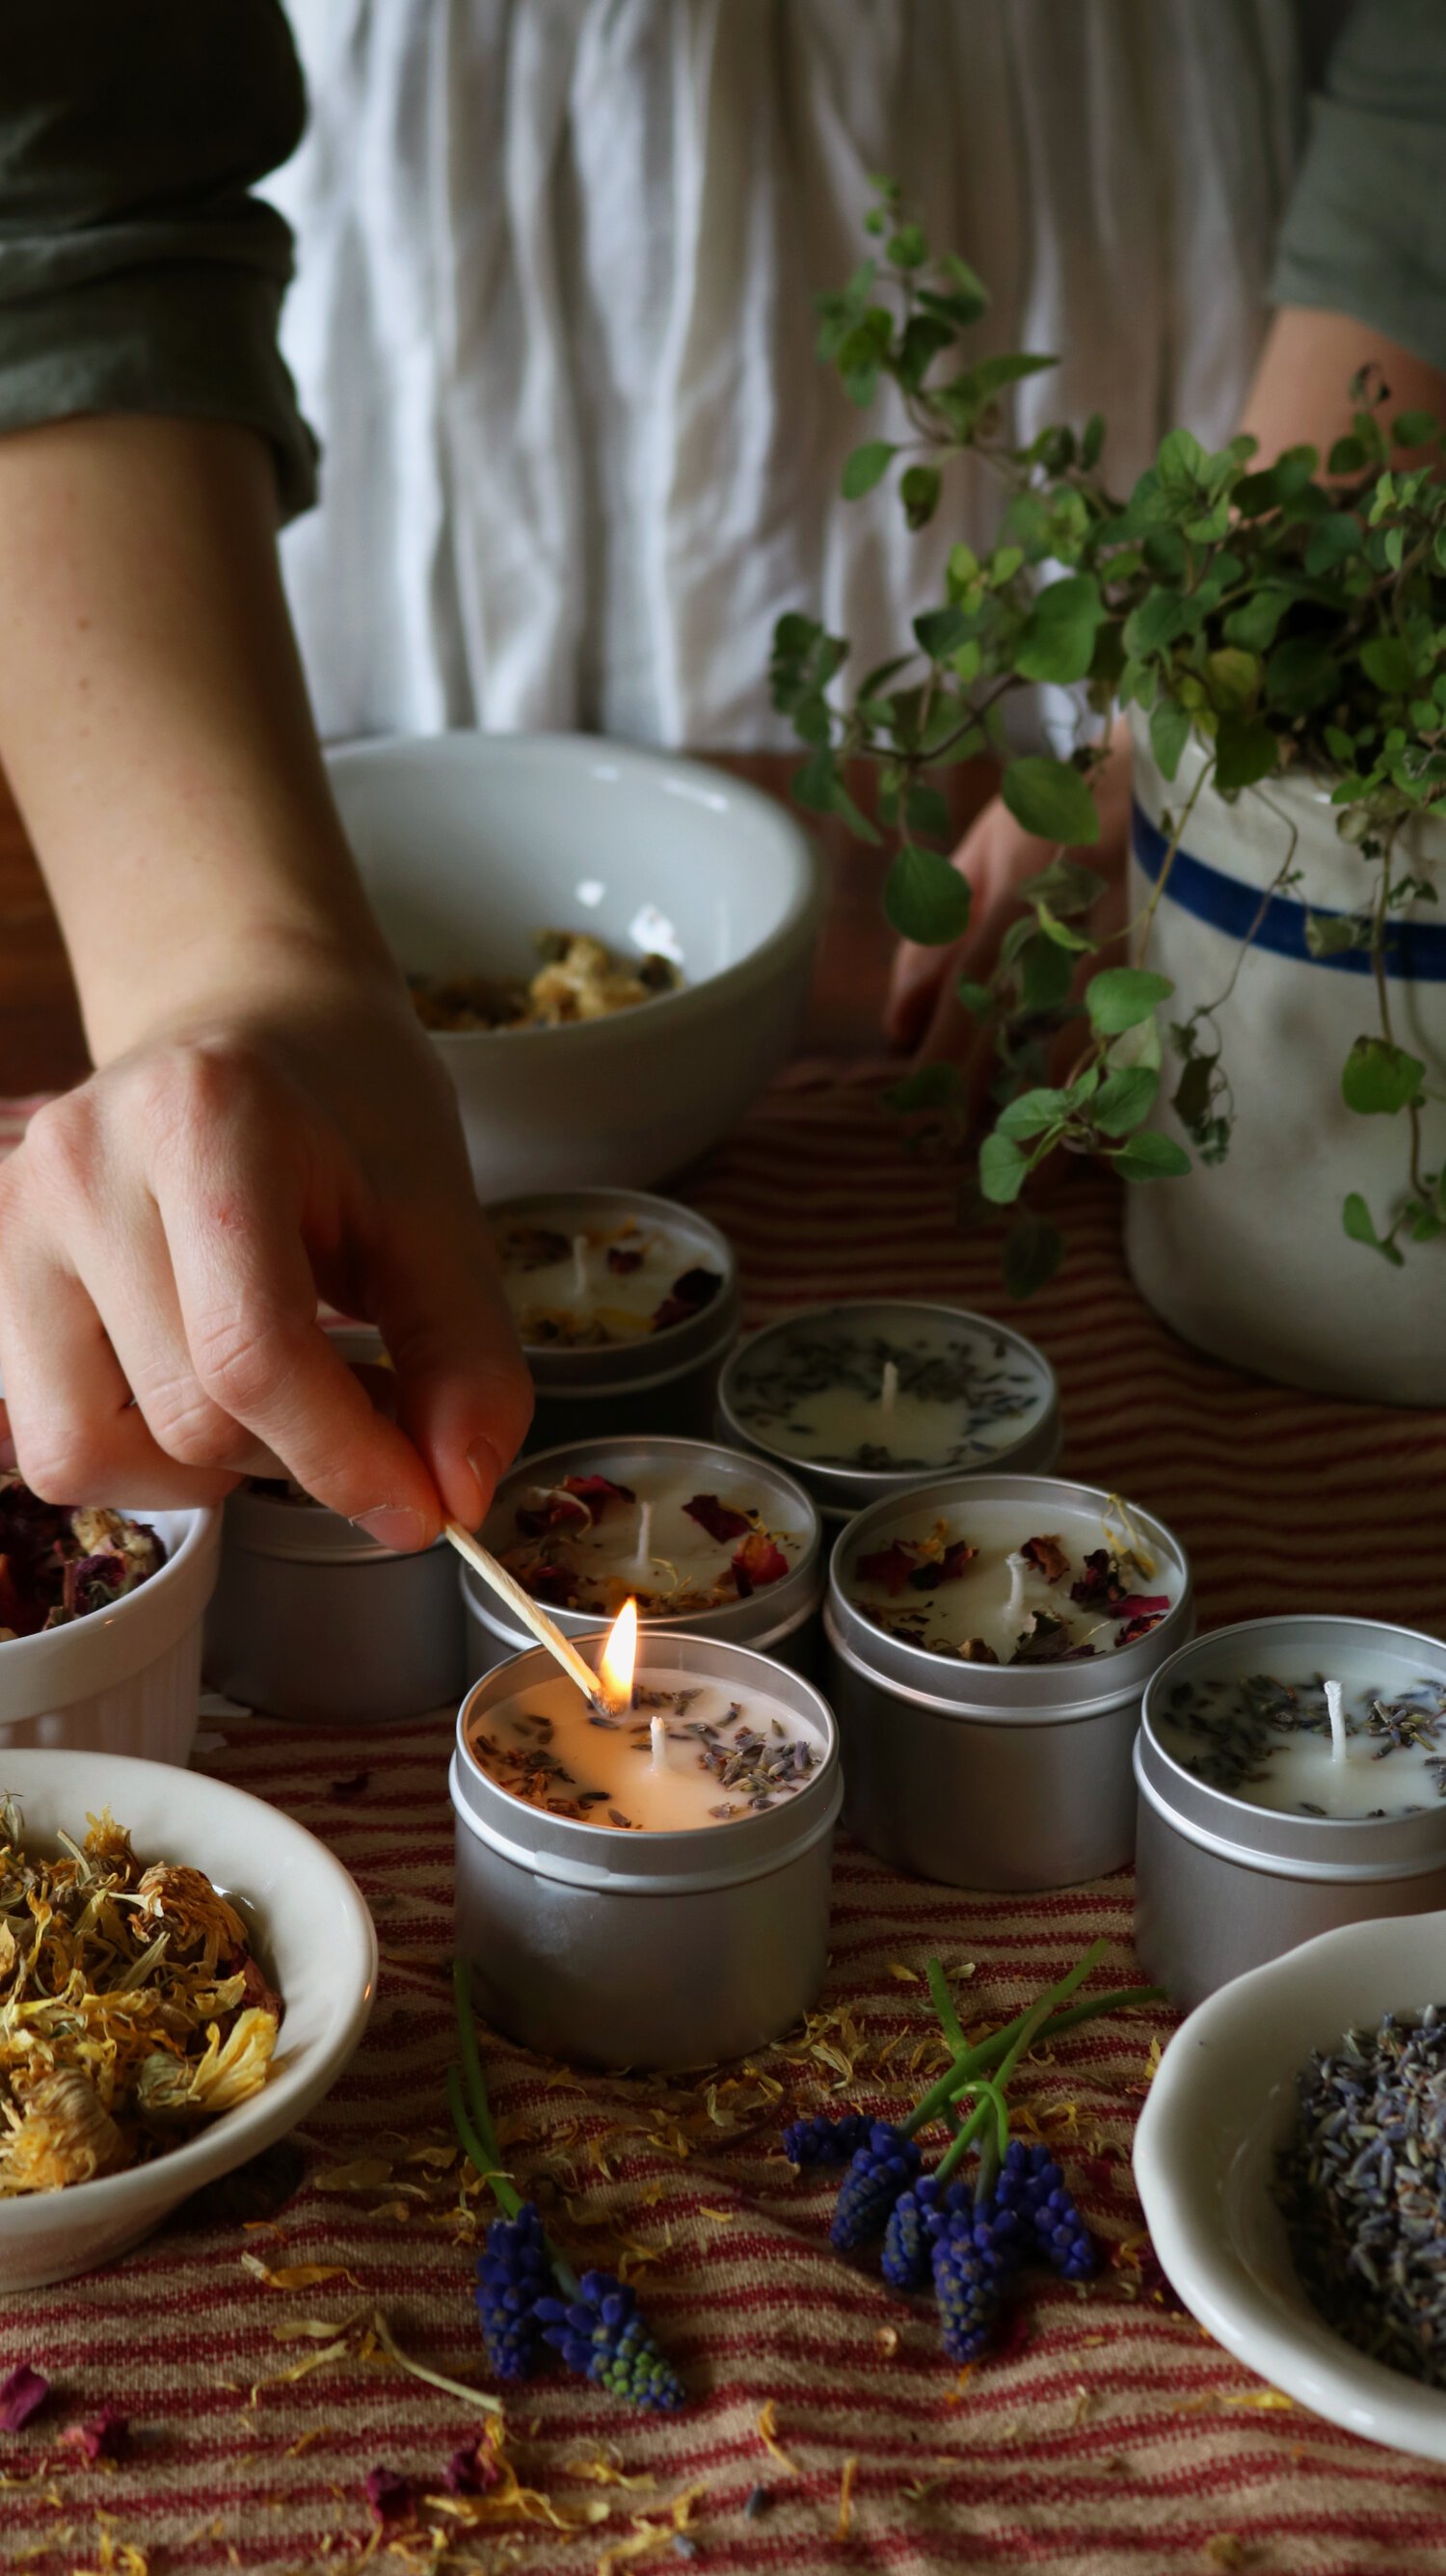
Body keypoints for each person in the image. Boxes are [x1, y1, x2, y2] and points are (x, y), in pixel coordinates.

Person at [0, 1, 1443, 1531]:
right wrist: (229, 965)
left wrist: (1209, 706)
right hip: (356, 309)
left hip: (1170, 282)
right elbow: (59, 166)